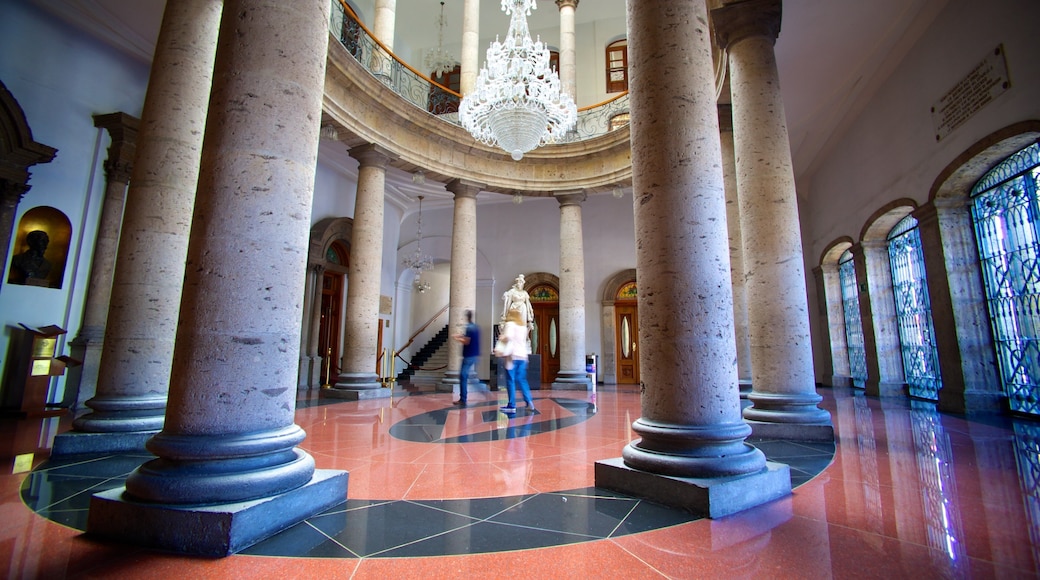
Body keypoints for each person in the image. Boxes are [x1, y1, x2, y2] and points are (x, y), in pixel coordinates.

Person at [499, 308, 534, 414]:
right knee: (522, 379)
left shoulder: (510, 324)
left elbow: (508, 337)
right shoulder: (523, 327)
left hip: (512, 356)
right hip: (522, 356)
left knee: (510, 380)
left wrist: (502, 337)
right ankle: (528, 401)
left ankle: (511, 404)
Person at [452, 310, 480, 406]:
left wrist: (457, 338)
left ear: (466, 317)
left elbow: (467, 341)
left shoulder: (469, 327)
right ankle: (465, 397)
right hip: (474, 355)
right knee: (466, 376)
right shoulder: (475, 327)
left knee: (463, 376)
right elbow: (469, 337)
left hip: (468, 356)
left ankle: (463, 398)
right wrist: (461, 336)